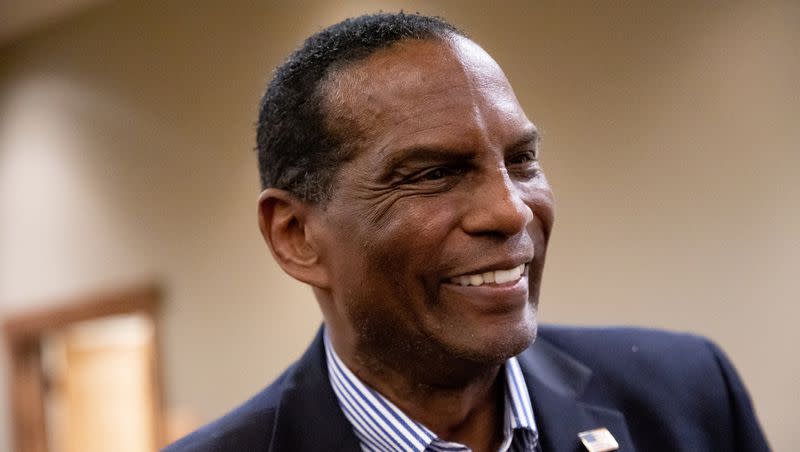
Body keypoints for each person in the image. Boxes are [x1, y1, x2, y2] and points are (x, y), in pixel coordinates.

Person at [165, 12, 769, 452]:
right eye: (433, 173)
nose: (510, 212)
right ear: (296, 234)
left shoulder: (688, 396)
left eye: (522, 160)